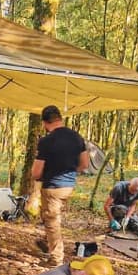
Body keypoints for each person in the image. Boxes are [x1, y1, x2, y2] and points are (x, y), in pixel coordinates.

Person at [32, 105, 89, 264]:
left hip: (52, 187)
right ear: (60, 118)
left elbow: (36, 173)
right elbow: (84, 164)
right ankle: (47, 242)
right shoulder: (77, 137)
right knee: (50, 215)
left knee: (52, 222)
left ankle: (56, 258)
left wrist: (49, 173)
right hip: (68, 186)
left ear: (45, 122)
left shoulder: (46, 141)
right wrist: (69, 171)